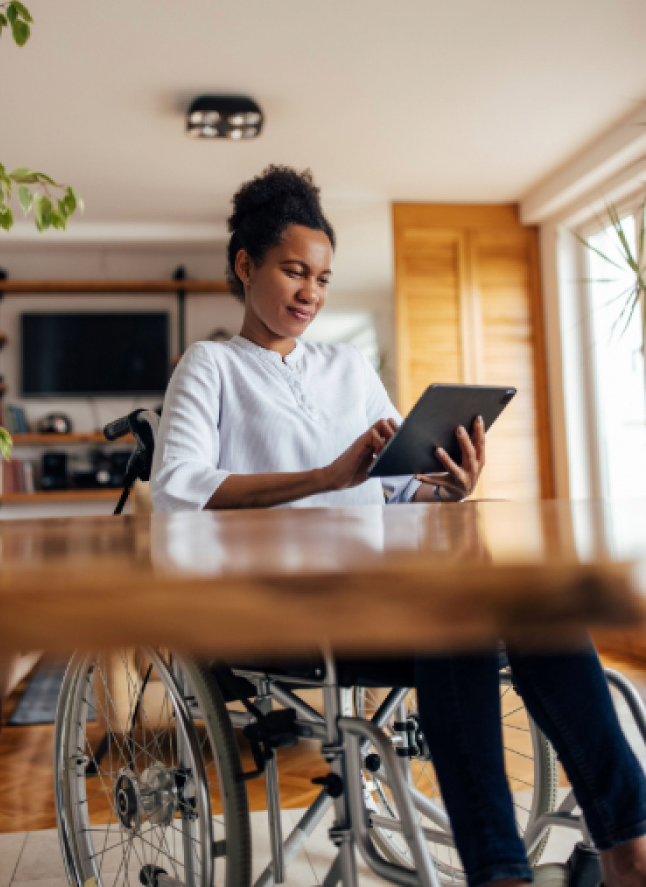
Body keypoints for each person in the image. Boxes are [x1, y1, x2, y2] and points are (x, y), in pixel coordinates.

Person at [151, 165, 646, 887]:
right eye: (293, 271)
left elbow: (391, 490)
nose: (310, 293)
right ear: (244, 264)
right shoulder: (211, 367)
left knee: (534, 603)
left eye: (321, 278)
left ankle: (628, 847)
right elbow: (177, 491)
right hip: (278, 605)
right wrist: (327, 477)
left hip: (385, 588)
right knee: (456, 619)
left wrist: (444, 485)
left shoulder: (347, 364)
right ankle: (499, 871)